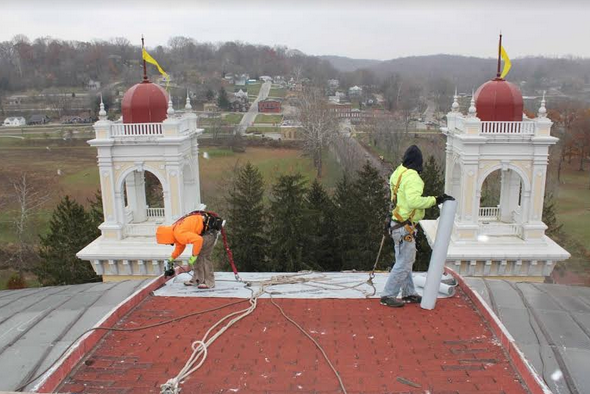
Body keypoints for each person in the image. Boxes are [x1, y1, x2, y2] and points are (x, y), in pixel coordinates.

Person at [380, 145, 453, 308]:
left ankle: (408, 292)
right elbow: (413, 201)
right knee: (405, 262)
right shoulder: (413, 178)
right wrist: (436, 199)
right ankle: (388, 294)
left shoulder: (399, 172)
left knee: (403, 260)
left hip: (397, 223)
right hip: (405, 226)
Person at [156, 212, 224, 289]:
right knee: (197, 254)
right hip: (204, 233)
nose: (167, 244)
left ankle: (209, 282)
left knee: (203, 256)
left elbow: (198, 240)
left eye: (166, 242)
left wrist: (194, 255)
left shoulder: (179, 233)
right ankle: (197, 279)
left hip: (209, 233)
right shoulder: (175, 231)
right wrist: (172, 258)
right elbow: (180, 247)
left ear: (166, 238)